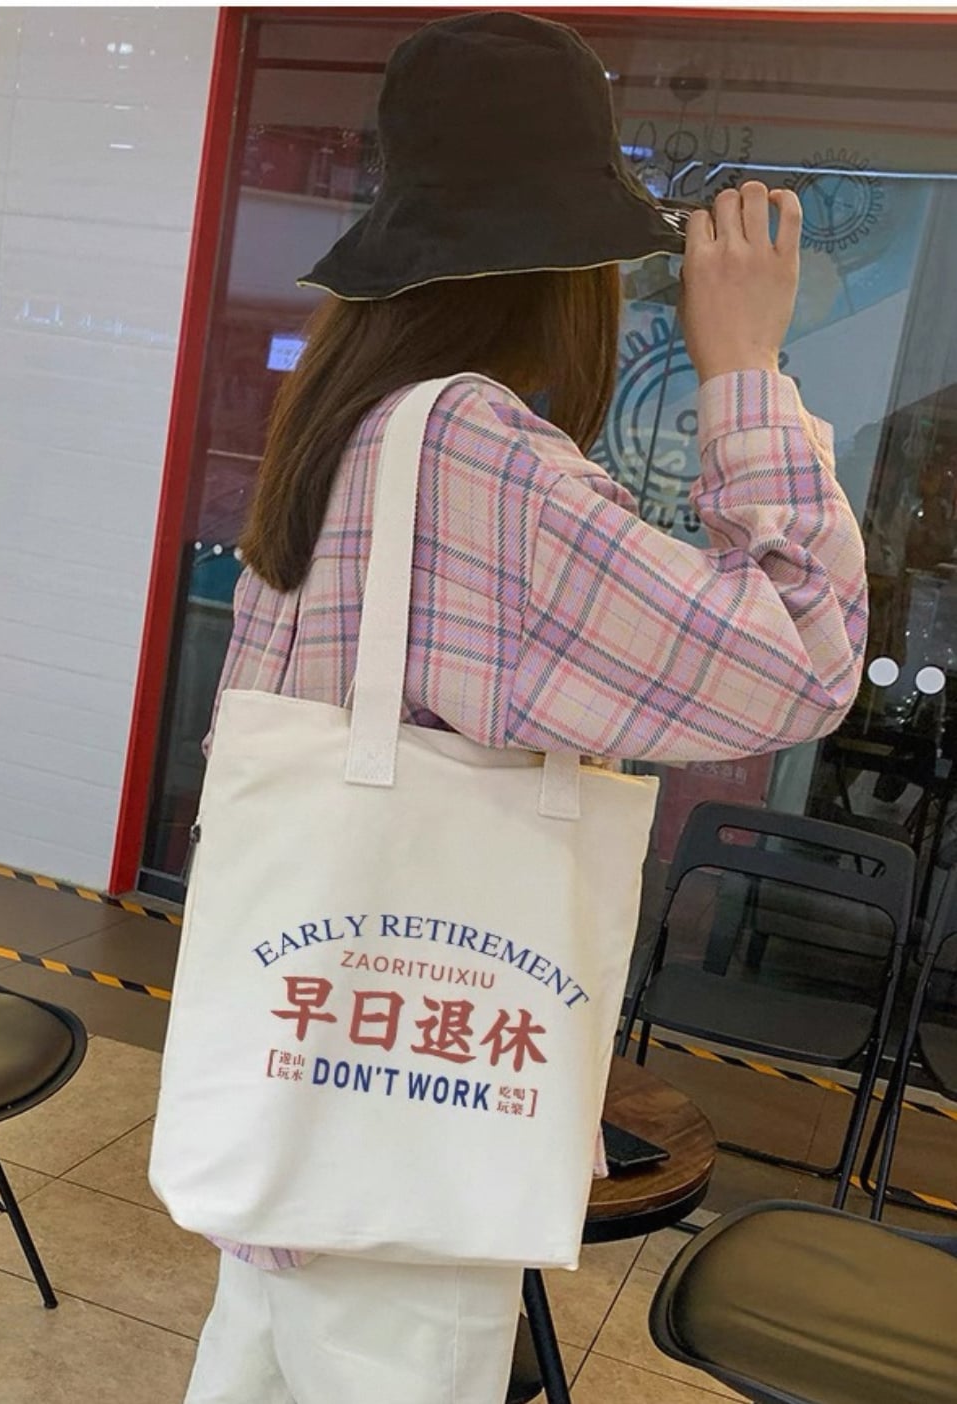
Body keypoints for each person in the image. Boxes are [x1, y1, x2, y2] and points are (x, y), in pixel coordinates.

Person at [184, 12, 866, 1403]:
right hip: (411, 1154)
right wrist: (746, 372)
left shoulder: (346, 421)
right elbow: (799, 660)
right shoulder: (476, 453)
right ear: (566, 270)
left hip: (298, 1101)